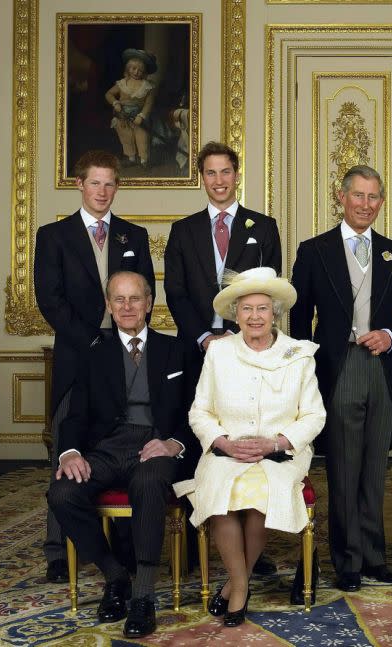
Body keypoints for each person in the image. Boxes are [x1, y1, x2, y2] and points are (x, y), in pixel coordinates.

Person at [289, 165, 392, 592]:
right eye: (358, 196)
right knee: (344, 469)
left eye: (374, 197)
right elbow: (296, 317)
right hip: (339, 365)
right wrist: (305, 369)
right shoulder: (314, 250)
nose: (366, 204)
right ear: (341, 197)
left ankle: (374, 558)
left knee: (377, 469)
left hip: (380, 368)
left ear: (381, 202)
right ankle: (346, 561)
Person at [47, 271, 197, 639]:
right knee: (62, 493)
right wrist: (69, 453)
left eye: (135, 299)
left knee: (149, 484)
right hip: (106, 448)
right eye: (119, 300)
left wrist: (174, 444)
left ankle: (143, 594)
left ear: (149, 303)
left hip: (156, 445)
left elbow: (197, 411)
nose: (127, 307)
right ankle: (115, 575)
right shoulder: (93, 352)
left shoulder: (177, 350)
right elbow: (75, 415)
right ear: (109, 307)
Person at [174, 267, 325, 626]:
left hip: (280, 452)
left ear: (274, 312)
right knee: (223, 494)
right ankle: (240, 584)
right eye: (246, 309)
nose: (254, 316)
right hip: (228, 450)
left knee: (259, 494)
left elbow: (314, 416)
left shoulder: (299, 354)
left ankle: (233, 589)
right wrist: (222, 442)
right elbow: (201, 411)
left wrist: (277, 442)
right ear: (235, 314)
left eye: (262, 309)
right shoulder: (219, 353)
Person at [164, 141, 284, 576]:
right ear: (202, 179)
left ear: (237, 175)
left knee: (248, 440)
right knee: (202, 441)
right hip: (198, 353)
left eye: (225, 172)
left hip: (249, 354)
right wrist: (203, 337)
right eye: (210, 173)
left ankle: (254, 546)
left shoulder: (263, 228)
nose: (218, 180)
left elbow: (270, 293)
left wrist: (235, 340)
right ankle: (200, 542)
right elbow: (175, 292)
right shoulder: (183, 230)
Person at [34, 149, 154, 584]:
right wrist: (91, 343)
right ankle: (57, 550)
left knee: (120, 442)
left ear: (116, 187)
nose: (102, 191)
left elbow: (144, 293)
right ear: (79, 186)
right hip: (77, 355)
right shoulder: (54, 235)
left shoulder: (132, 235)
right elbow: (50, 299)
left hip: (124, 351)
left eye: (109, 183)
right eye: (94, 183)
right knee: (68, 449)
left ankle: (123, 543)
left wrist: (124, 342)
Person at [105, 49, 157, 169]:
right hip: (122, 116)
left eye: (140, 70)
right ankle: (131, 158)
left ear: (144, 72)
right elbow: (108, 94)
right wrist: (115, 103)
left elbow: (149, 104)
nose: (136, 72)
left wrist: (141, 116)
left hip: (138, 117)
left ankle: (144, 160)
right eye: (133, 68)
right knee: (126, 137)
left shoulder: (147, 86)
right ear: (128, 68)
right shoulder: (122, 83)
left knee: (142, 137)